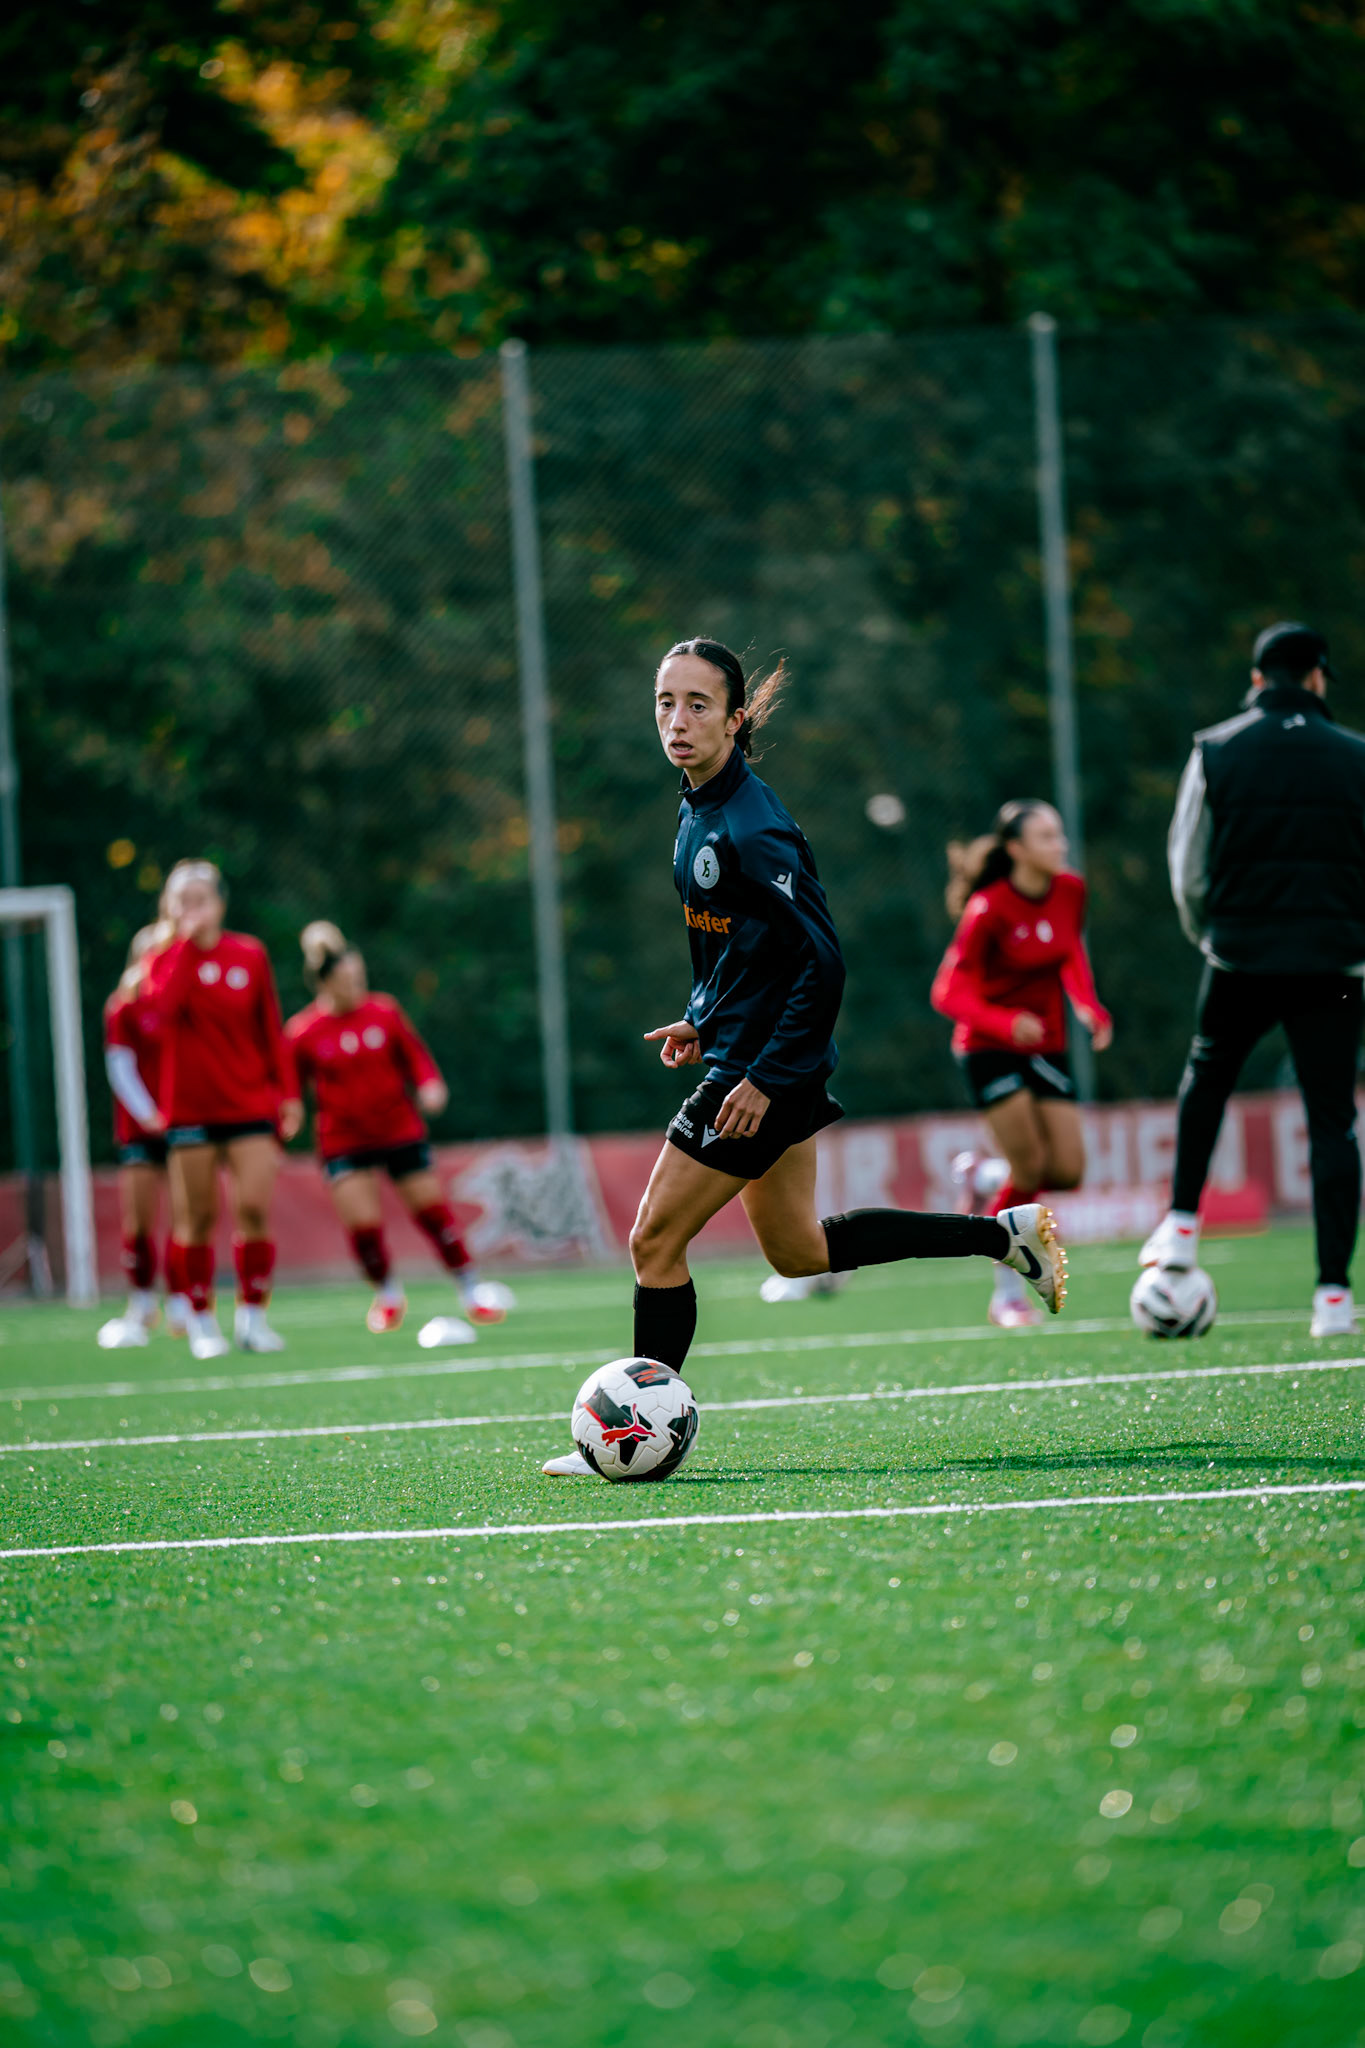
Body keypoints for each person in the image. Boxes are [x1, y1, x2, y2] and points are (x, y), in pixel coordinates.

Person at [543, 638, 1067, 1478]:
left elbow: (820, 965)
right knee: (798, 1253)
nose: (677, 720)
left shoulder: (752, 826)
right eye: (665, 703)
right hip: (746, 1057)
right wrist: (701, 1019)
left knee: (653, 1241)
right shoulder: (697, 806)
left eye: (698, 705)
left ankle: (636, 1434)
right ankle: (1000, 1236)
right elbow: (742, 950)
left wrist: (763, 1076)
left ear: (735, 719)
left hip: (759, 1075)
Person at [1146, 621, 1365, 1336]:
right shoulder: (1355, 754)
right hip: (1334, 964)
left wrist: (1208, 935)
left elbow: (1187, 863)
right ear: (1318, 677)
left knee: (1207, 1078)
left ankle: (1181, 1230)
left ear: (1256, 679)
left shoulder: (1215, 748)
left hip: (1239, 955)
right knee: (1332, 1120)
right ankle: (1333, 1298)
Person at [930, 801, 1112, 1327]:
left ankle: (985, 1176)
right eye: (1047, 836)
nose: (1061, 844)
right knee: (1030, 1168)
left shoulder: (1071, 890)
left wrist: (1087, 1004)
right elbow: (947, 992)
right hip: (987, 1046)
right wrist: (1006, 1022)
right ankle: (1006, 1295)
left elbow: (1069, 951)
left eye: (1059, 834)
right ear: (1017, 849)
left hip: (1047, 1045)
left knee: (1068, 1172)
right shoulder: (987, 908)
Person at [286, 923, 511, 1340]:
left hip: (397, 1128)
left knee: (432, 1212)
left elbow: (416, 1058)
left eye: (359, 977)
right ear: (325, 983)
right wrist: (290, 1112)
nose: (356, 986)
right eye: (347, 980)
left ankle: (471, 1289)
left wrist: (430, 1084)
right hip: (343, 1138)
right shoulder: (303, 1031)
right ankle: (387, 1295)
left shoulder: (383, 1012)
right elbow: (288, 1086)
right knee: (363, 1226)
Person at [142, 860, 302, 1360]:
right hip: (190, 1112)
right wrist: (187, 946)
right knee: (197, 1217)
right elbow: (159, 1014)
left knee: (252, 1207)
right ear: (169, 907)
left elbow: (269, 1027)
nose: (193, 908)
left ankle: (253, 1319)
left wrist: (289, 1094)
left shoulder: (249, 954)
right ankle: (201, 1321)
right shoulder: (160, 956)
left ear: (220, 903)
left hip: (249, 1104)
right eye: (182, 900)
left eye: (202, 898)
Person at [96, 924, 188, 1347]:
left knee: (185, 1219)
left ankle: (182, 1301)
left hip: (182, 1123)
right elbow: (120, 1067)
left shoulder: (180, 1002)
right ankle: (142, 1301)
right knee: (140, 1220)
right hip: (140, 1129)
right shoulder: (123, 1006)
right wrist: (149, 1114)